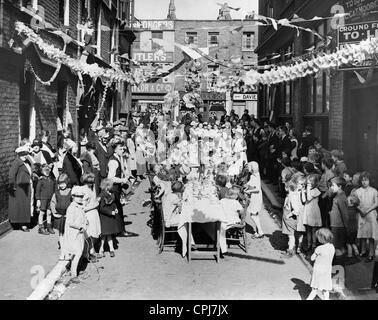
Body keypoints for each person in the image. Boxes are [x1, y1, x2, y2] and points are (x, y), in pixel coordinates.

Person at [63, 186, 89, 279]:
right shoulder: (72, 208)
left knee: (79, 251)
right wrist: (79, 226)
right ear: (73, 196)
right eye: (78, 196)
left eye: (81, 196)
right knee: (77, 252)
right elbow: (70, 222)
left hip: (79, 233)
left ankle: (74, 268)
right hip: (73, 233)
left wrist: (85, 223)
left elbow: (83, 217)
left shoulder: (80, 206)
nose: (80, 198)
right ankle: (73, 273)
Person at [8, 145, 34, 231]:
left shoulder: (27, 161)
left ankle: (25, 222)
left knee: (26, 205)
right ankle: (23, 225)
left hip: (27, 186)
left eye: (26, 154)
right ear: (19, 154)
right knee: (22, 206)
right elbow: (11, 175)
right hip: (20, 188)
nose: (25, 156)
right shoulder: (17, 162)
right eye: (23, 154)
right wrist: (13, 187)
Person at [306, 228, 335, 300]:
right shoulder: (332, 247)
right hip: (327, 269)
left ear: (322, 238)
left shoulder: (319, 248)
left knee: (315, 288)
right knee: (326, 288)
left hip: (318, 269)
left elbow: (312, 258)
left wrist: (310, 256)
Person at [355, 172, 378, 262]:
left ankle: (371, 253)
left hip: (371, 214)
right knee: (363, 234)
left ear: (369, 181)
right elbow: (355, 203)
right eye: (363, 180)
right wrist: (361, 210)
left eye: (366, 180)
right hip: (361, 214)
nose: (364, 182)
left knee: (371, 235)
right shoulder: (357, 191)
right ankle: (363, 251)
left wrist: (367, 210)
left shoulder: (374, 191)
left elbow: (376, 203)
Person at [98, 179, 124, 257]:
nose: (112, 187)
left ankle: (111, 249)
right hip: (105, 218)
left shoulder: (111, 193)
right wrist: (110, 212)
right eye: (111, 185)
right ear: (107, 186)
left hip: (110, 217)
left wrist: (115, 208)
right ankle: (101, 249)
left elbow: (114, 203)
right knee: (104, 235)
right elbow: (101, 208)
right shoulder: (102, 195)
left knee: (109, 234)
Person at [50, 173, 72, 260]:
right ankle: (63, 252)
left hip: (68, 217)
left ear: (67, 182)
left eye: (63, 183)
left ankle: (68, 252)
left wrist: (71, 214)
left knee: (68, 235)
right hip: (60, 217)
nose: (62, 185)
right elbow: (53, 203)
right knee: (61, 235)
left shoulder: (71, 191)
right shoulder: (56, 193)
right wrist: (54, 212)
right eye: (60, 183)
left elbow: (74, 203)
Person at [82, 173, 101, 261]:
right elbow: (83, 207)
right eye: (88, 182)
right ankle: (88, 253)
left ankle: (92, 252)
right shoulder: (84, 190)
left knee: (94, 235)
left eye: (92, 182)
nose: (91, 184)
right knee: (89, 235)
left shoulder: (92, 188)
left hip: (94, 214)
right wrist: (94, 205)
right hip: (89, 214)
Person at [301, 174, 322, 253]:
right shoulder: (308, 190)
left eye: (311, 181)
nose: (308, 182)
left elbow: (309, 198)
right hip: (308, 210)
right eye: (308, 180)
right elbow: (304, 200)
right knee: (308, 229)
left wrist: (308, 188)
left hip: (313, 211)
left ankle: (314, 245)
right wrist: (303, 191)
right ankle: (309, 244)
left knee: (313, 229)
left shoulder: (315, 190)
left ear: (315, 182)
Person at [329, 177, 349, 256]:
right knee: (338, 245)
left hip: (338, 225)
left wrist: (346, 226)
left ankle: (339, 261)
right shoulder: (337, 196)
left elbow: (344, 214)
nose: (331, 187)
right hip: (335, 224)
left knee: (337, 245)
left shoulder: (341, 197)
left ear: (340, 186)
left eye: (333, 185)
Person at [244, 162, 264, 238]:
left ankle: (260, 232)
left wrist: (248, 191)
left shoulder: (253, 176)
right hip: (257, 196)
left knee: (252, 215)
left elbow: (257, 189)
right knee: (255, 214)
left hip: (255, 197)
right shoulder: (256, 174)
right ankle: (258, 231)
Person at [35, 164, 56, 235]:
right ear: (42, 171)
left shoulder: (53, 179)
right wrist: (38, 200)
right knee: (42, 213)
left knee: (49, 213)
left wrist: (55, 198)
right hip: (43, 199)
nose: (46, 171)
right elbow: (37, 191)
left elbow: (55, 189)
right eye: (44, 170)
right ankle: (41, 228)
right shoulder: (41, 180)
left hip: (51, 199)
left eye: (48, 170)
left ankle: (49, 226)